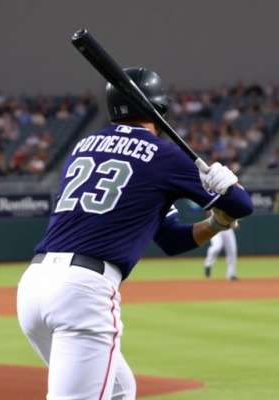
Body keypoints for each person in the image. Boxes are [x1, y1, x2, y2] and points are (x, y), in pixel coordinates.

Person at [16, 67, 253, 400]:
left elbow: (170, 239)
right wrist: (226, 182)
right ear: (159, 107)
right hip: (83, 292)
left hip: (34, 286)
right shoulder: (164, 155)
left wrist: (214, 224)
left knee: (121, 390)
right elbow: (242, 204)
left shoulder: (84, 145)